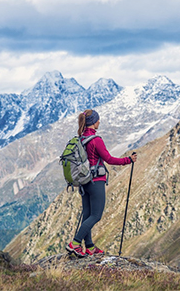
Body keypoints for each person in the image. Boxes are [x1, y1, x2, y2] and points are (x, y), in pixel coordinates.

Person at [66, 109, 136, 257]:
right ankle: (75, 243)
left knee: (87, 214)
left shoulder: (81, 138)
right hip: (96, 181)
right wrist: (128, 160)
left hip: (84, 181)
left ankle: (89, 247)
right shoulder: (96, 141)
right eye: (98, 120)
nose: (99, 122)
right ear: (93, 122)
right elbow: (109, 159)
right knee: (96, 215)